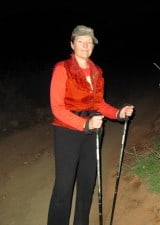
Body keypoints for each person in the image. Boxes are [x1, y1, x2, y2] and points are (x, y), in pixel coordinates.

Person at [47, 25, 135, 225]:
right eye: (80, 41)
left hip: (93, 131)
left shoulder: (97, 71)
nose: (85, 45)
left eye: (89, 42)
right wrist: (84, 124)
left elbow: (99, 104)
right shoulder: (62, 69)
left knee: (87, 184)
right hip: (67, 132)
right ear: (72, 44)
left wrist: (118, 113)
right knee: (63, 187)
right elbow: (57, 108)